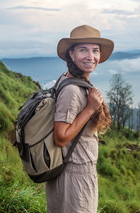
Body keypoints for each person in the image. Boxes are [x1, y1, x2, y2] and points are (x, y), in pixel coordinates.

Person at [45, 25, 113, 213]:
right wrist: (90, 108)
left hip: (70, 172)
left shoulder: (68, 79)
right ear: (72, 54)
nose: (91, 56)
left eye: (95, 50)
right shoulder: (72, 90)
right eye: (83, 50)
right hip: (74, 176)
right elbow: (61, 137)